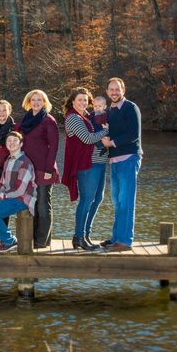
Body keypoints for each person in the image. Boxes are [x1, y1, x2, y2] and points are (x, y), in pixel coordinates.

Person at [60, 88, 109, 251]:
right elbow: (88, 139)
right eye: (79, 99)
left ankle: (85, 234)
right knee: (87, 199)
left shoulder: (87, 117)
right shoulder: (73, 118)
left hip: (100, 162)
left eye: (85, 100)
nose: (82, 102)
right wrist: (106, 131)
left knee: (98, 198)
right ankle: (78, 237)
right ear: (72, 101)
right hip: (87, 164)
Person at [100, 77, 143, 252]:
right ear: (107, 92)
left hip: (129, 159)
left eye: (117, 89)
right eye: (111, 89)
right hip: (115, 161)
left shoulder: (130, 108)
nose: (114, 92)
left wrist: (112, 143)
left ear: (123, 90)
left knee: (126, 201)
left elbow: (134, 134)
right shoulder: (109, 111)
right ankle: (116, 238)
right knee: (117, 201)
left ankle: (125, 241)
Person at [16, 89, 59, 249]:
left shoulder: (49, 120)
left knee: (42, 205)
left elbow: (54, 147)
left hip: (43, 169)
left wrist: (48, 169)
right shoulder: (25, 120)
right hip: (27, 170)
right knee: (30, 204)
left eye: (39, 100)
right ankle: (31, 238)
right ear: (28, 102)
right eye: (33, 100)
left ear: (44, 102)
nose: (36, 103)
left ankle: (42, 241)